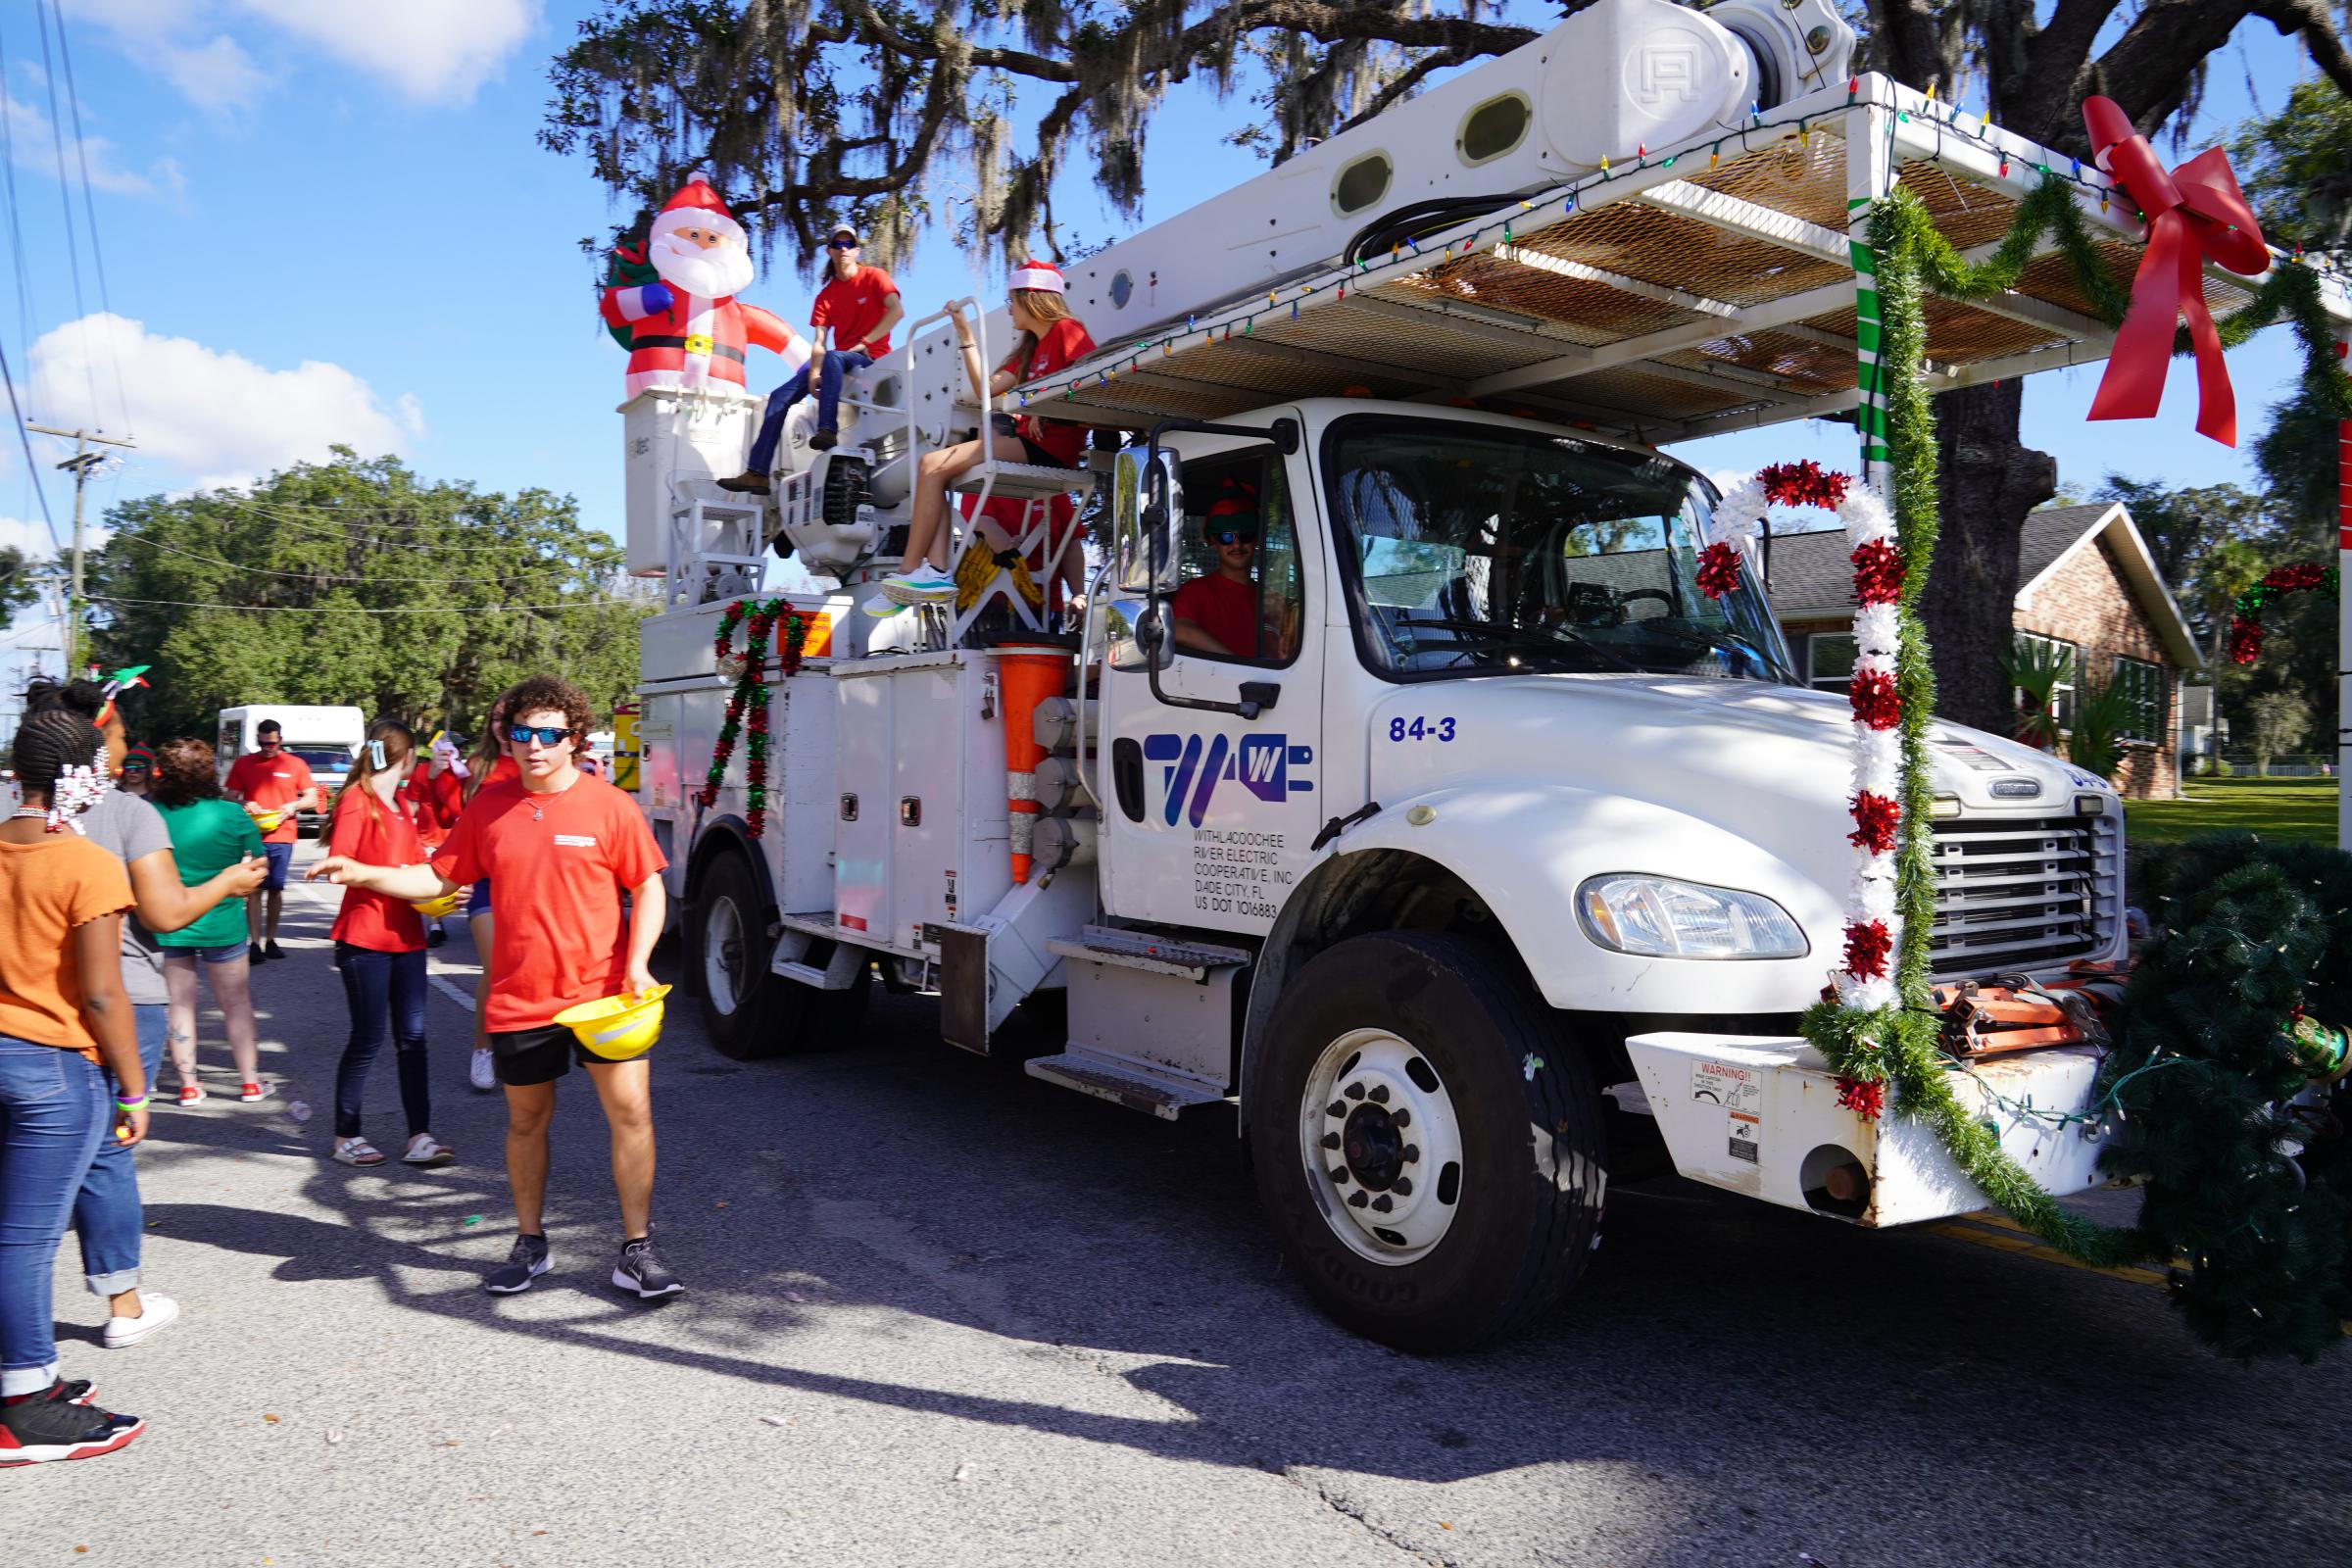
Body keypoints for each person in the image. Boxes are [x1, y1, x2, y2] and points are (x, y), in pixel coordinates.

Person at [310, 676, 678, 1299]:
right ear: (507, 737)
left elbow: (648, 886)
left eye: (549, 734)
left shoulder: (610, 805)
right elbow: (434, 879)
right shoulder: (488, 809)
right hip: (521, 997)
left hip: (605, 995)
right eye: (522, 733)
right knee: (527, 1123)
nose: (534, 745)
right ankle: (531, 1245)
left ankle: (636, 1251)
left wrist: (639, 962)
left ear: (573, 739)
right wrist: (363, 871)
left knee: (632, 1115)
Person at [24, 679, 264, 1352]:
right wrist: (229, 884)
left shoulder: (12, 806)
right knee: (108, 1151)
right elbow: (165, 914)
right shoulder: (127, 812)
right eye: (121, 737)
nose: (125, 751)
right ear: (94, 742)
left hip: (23, 1003)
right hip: (120, 995)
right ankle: (121, 1303)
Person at [0, 709, 148, 1466]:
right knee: (23, 1241)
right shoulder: (86, 862)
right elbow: (102, 995)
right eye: (106, 760)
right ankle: (24, 1403)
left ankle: (26, 1378)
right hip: (55, 1068)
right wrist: (135, 1088)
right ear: (80, 775)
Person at [879, 261, 1096, 605]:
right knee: (931, 468)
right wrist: (965, 334)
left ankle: (913, 571)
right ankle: (934, 570)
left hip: (1053, 447)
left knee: (932, 465)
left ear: (1032, 297)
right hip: (1030, 442)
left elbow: (1090, 377)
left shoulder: (1067, 331)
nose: (1009, 311)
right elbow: (984, 390)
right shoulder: (1028, 350)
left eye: (1012, 301)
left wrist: (1042, 406)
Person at [326, 723, 456, 1170]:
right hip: (364, 938)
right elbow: (339, 868)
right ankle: (347, 1136)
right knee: (367, 1038)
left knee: (413, 1040)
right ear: (408, 757)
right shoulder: (355, 802)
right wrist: (401, 875)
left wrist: (435, 891)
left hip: (408, 937)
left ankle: (420, 1136)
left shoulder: (401, 803)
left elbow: (412, 870)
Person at [721, 223, 904, 490]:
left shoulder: (874, 276)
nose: (843, 249)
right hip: (836, 363)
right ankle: (758, 472)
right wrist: (814, 373)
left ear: (856, 250)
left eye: (849, 245)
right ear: (830, 251)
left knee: (834, 358)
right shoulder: (826, 296)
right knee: (779, 396)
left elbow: (896, 311)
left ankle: (827, 430)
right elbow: (819, 342)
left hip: (868, 358)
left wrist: (864, 343)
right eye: (838, 245)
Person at [149, 741, 269, 1104]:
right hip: (222, 923)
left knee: (179, 1004)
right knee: (236, 1002)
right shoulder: (232, 815)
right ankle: (250, 1082)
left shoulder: (149, 814)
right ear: (209, 772)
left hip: (169, 922)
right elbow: (260, 869)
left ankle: (188, 1085)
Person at [456, 714, 520, 1095]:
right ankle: (483, 1049)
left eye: (506, 719)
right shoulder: (478, 765)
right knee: (495, 969)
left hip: (527, 884)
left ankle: (518, 1042)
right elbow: (454, 816)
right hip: (485, 882)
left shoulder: (536, 763)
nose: (500, 724)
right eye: (495, 718)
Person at [222, 718, 318, 961]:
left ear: (280, 741)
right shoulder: (244, 764)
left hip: (283, 835)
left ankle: (271, 940)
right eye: (264, 744)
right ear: (258, 740)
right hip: (252, 834)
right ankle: (254, 943)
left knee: (275, 889)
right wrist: (245, 803)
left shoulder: (295, 764)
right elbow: (229, 795)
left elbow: (311, 797)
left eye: (272, 744)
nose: (268, 748)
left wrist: (293, 806)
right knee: (254, 889)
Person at [1170, 483, 1295, 660]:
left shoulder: (1272, 602)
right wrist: (1236, 663)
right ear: (1214, 541)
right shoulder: (1195, 592)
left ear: (1256, 539)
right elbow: (1180, 630)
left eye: (1245, 536)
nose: (1236, 545)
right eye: (1226, 537)